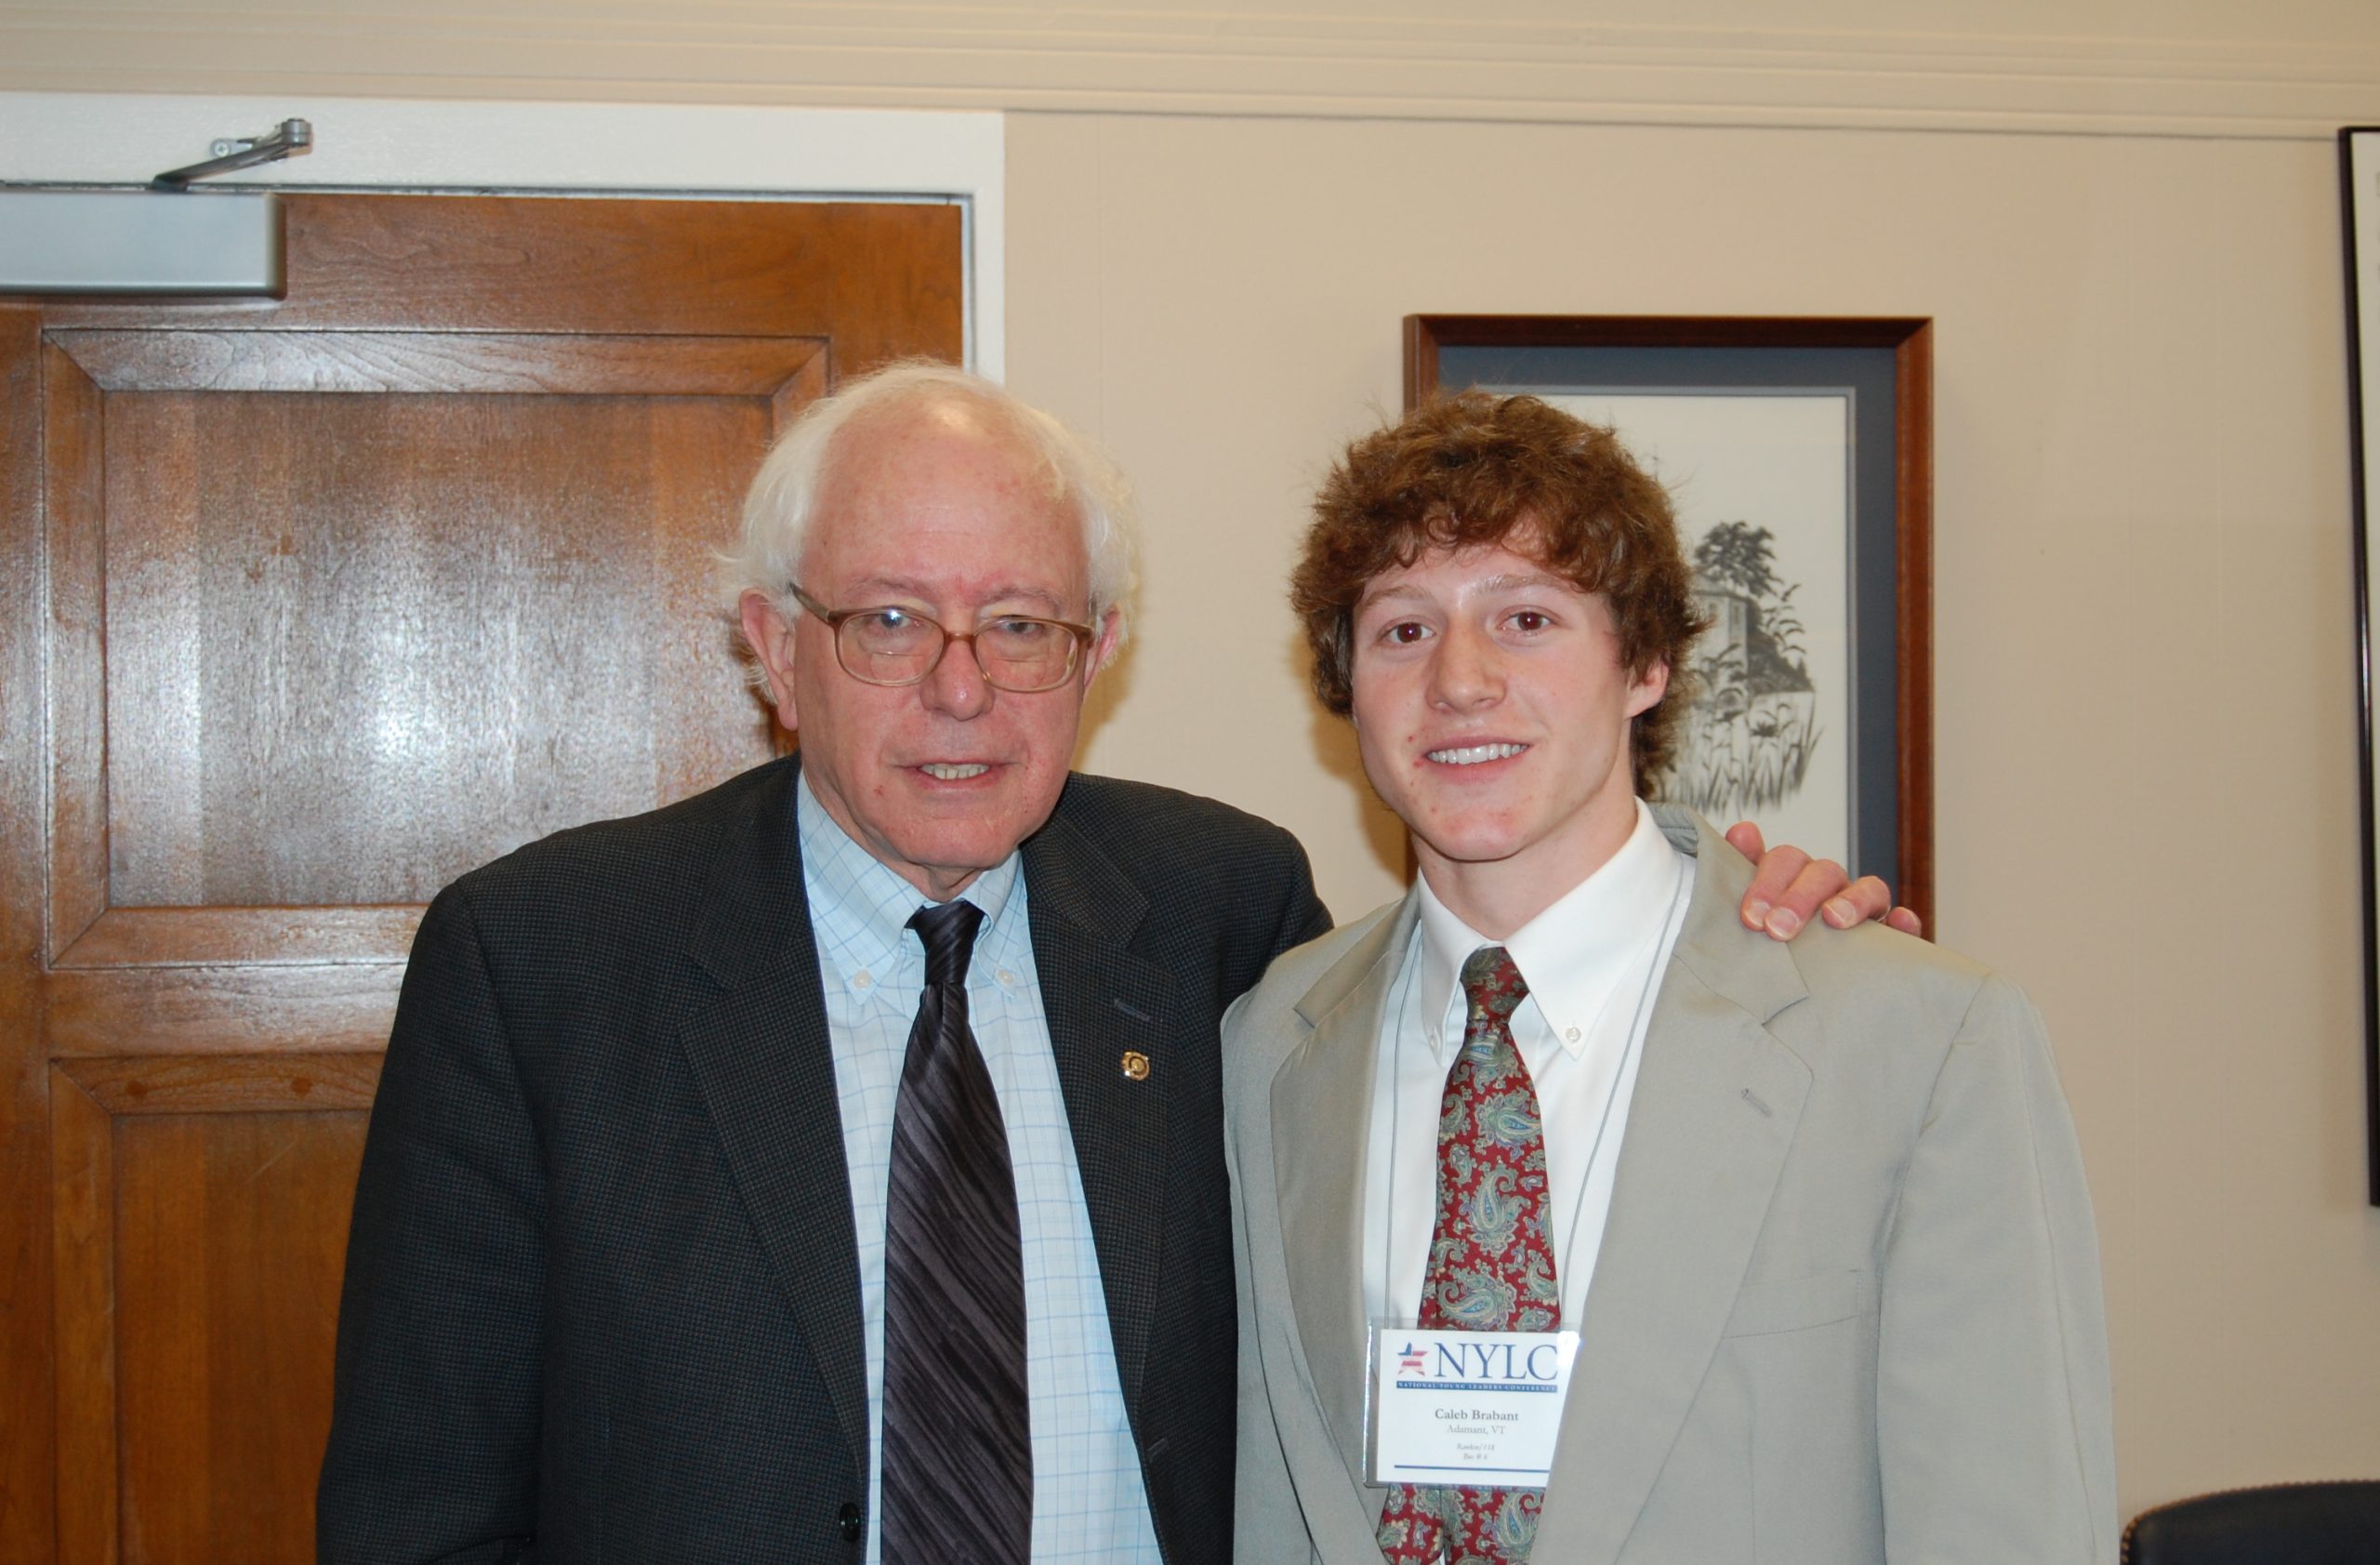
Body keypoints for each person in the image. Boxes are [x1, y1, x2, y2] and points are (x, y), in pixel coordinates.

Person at [318, 363, 1903, 1564]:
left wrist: (1741, 906)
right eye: (885, 621)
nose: (960, 691)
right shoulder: (544, 964)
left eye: (1020, 626)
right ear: (772, 646)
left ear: (1101, 649)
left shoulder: (1218, 910)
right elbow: (417, 1501)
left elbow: (1478, 1034)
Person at [1225, 390, 2115, 1564]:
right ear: (1349, 690)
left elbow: (2011, 1529)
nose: (1459, 680)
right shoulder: (1271, 1038)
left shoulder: (1918, 1041)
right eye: (1402, 629)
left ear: (1643, 661)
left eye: (1527, 618)